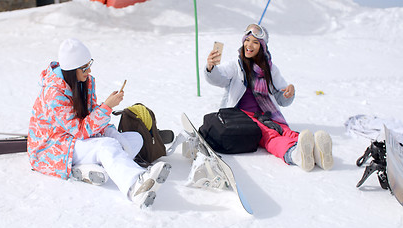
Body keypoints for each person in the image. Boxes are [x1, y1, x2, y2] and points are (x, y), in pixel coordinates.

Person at [27, 38, 171, 208]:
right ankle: (135, 186)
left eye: (90, 64)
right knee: (107, 147)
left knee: (135, 139)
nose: (89, 70)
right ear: (72, 70)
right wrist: (107, 107)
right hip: (55, 148)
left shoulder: (85, 82)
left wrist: (114, 133)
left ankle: (97, 166)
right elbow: (80, 130)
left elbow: (91, 115)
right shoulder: (54, 94)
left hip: (75, 141)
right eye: (85, 67)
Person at [204, 24, 334, 171]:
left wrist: (288, 93)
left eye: (255, 42)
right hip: (243, 117)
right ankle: (295, 155)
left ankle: (317, 153)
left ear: (262, 46)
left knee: (285, 130)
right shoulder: (236, 65)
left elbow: (281, 98)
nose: (249, 45)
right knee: (269, 135)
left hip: (268, 114)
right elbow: (218, 78)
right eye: (247, 40)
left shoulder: (270, 69)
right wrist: (211, 68)